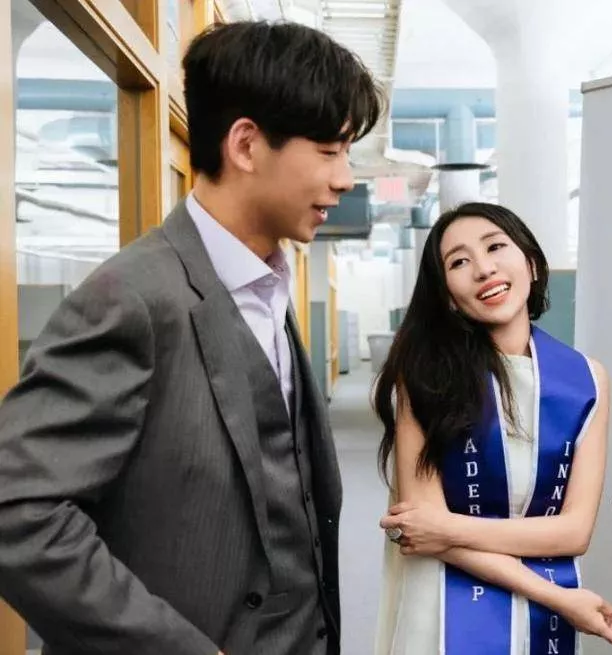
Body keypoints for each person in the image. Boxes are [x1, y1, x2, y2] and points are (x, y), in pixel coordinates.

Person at [0, 20, 382, 655]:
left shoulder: (266, 285)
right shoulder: (131, 298)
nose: (345, 178)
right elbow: (17, 512)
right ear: (246, 145)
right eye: (329, 150)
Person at [372, 202, 612, 654]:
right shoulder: (424, 376)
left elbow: (574, 532)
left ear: (531, 262)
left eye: (495, 247)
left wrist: (446, 528)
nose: (484, 268)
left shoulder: (587, 380)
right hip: (441, 605)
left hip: (543, 608)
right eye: (459, 262)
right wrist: (560, 599)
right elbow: (419, 528)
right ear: (447, 294)